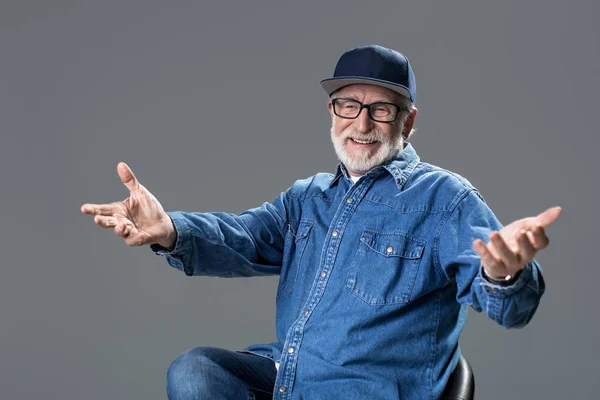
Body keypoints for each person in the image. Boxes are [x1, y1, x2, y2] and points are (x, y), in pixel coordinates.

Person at [81, 45, 561, 400]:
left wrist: (504, 274)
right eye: (349, 105)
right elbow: (245, 238)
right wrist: (170, 230)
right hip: (291, 376)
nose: (362, 122)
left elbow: (509, 306)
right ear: (333, 113)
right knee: (194, 372)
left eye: (381, 109)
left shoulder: (446, 199)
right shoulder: (307, 197)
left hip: (371, 391)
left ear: (407, 122)